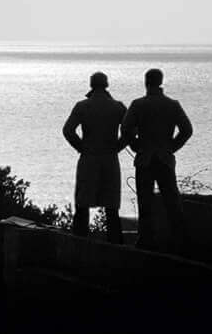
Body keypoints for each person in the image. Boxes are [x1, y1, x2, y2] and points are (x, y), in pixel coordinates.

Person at [122, 68, 193, 248]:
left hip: (144, 159)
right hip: (165, 159)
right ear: (161, 82)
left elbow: (125, 128)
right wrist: (172, 147)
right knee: (172, 201)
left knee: (145, 201)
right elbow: (187, 130)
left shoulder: (138, 105)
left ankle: (146, 240)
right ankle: (180, 239)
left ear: (146, 82)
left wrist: (135, 145)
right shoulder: (172, 105)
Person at [61, 71, 128, 244]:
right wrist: (118, 147)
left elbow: (68, 130)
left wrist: (81, 147)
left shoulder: (82, 106)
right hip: (110, 159)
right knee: (111, 206)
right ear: (106, 85)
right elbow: (130, 131)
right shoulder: (118, 107)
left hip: (88, 158)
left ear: (91, 85)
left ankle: (79, 244)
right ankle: (116, 245)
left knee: (82, 204)